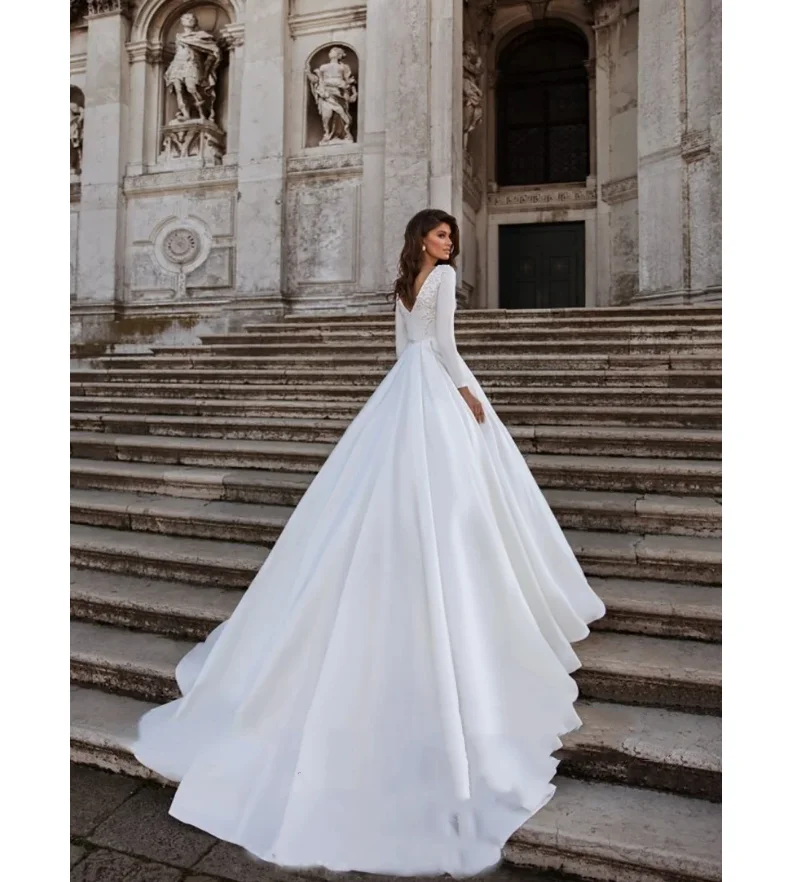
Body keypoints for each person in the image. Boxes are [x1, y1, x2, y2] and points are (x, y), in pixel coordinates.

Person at [133, 208, 606, 877]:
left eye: (452, 237)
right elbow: (443, 349)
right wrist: (470, 396)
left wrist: (416, 387)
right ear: (423, 239)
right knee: (460, 496)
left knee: (381, 494)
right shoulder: (438, 281)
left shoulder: (406, 285)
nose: (449, 245)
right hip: (434, 389)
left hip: (401, 392)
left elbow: (403, 350)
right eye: (441, 235)